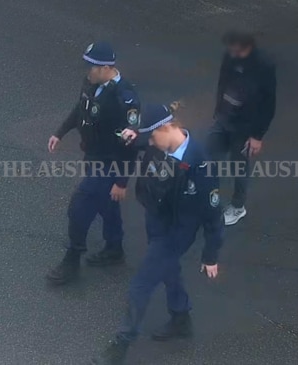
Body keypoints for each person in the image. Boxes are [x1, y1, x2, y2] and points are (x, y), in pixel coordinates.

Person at [91, 103, 224, 365]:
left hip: (176, 232)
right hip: (156, 219)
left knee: (141, 284)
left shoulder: (200, 164)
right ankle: (180, 316)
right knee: (168, 270)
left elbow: (213, 215)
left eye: (152, 136)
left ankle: (121, 345)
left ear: (166, 128)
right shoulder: (160, 142)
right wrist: (130, 135)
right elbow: (140, 141)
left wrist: (211, 255)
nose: (149, 142)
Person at [46, 41, 141, 285]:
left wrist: (121, 182)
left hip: (110, 164)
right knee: (107, 206)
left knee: (78, 209)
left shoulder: (125, 99)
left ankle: (71, 261)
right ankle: (114, 248)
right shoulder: (91, 82)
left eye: (93, 67)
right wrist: (60, 132)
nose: (88, 71)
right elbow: (81, 109)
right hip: (93, 156)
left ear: (107, 67)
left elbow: (131, 146)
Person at [207, 29, 277, 226]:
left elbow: (268, 104)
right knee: (208, 157)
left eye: (237, 50)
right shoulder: (230, 56)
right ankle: (208, 198)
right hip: (224, 119)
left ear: (248, 48)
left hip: (245, 127)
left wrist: (257, 135)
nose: (233, 53)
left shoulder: (264, 66)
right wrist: (219, 109)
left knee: (239, 167)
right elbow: (223, 82)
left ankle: (238, 207)